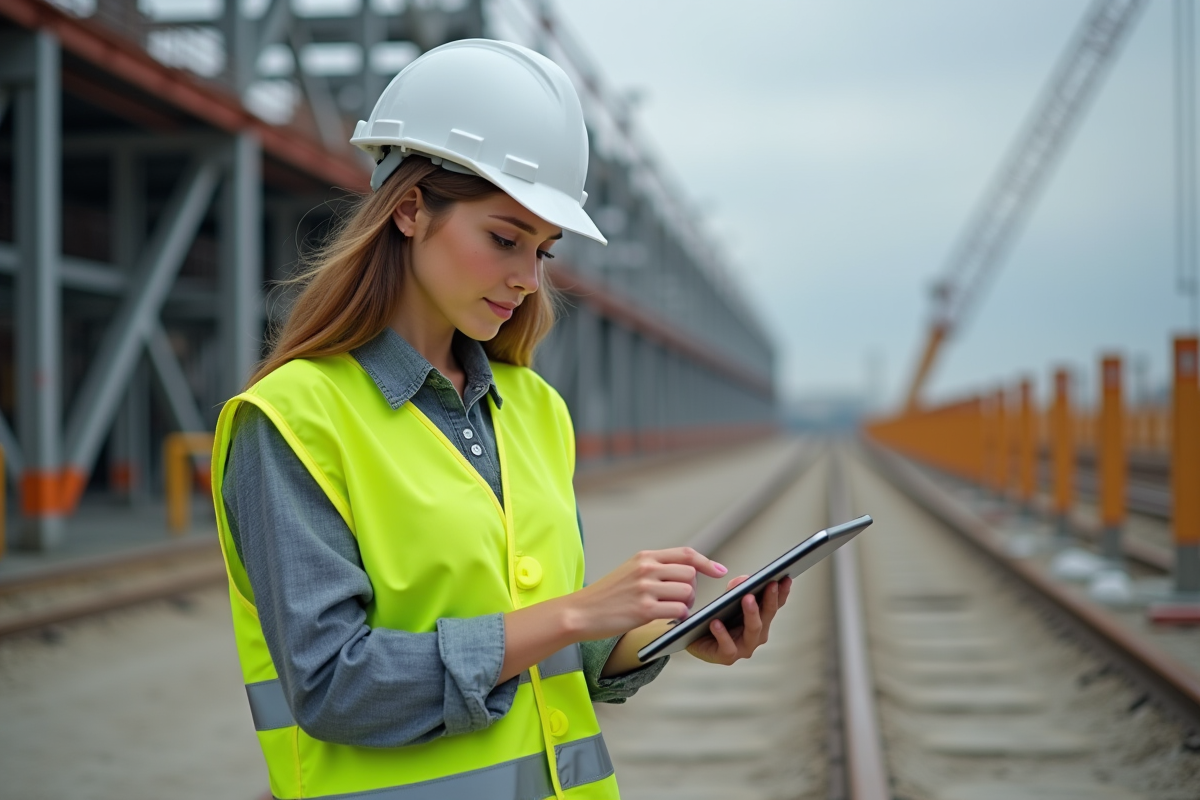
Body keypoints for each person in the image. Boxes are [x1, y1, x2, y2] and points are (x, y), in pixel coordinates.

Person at [211, 39, 792, 800]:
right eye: (503, 238)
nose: (526, 278)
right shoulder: (290, 422)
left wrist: (661, 638)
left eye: (543, 251)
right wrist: (579, 611)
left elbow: (554, 654)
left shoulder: (532, 409)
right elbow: (333, 687)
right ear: (411, 211)